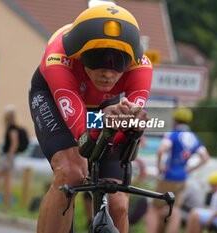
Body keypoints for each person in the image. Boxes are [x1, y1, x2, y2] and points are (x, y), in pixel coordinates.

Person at [28, 4, 152, 233]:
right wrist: (104, 123)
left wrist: (130, 128)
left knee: (118, 202)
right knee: (71, 173)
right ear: (79, 53)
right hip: (54, 98)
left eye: (119, 63)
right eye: (96, 59)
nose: (107, 72)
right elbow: (82, 134)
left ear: (131, 59)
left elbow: (128, 131)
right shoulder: (58, 59)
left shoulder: (141, 66)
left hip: (105, 105)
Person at [144, 106, 209, 233]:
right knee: (174, 209)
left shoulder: (173, 134)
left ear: (175, 120)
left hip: (168, 176)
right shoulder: (194, 138)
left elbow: (161, 150)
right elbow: (205, 157)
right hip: (182, 177)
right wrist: (189, 169)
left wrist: (159, 168)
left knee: (154, 209)